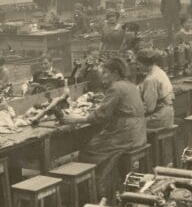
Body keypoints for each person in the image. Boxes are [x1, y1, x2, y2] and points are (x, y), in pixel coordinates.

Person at [64, 57, 147, 198]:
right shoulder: (130, 85)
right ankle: (107, 185)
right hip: (138, 131)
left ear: (115, 73)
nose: (103, 76)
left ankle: (96, 191)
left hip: (125, 132)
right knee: (101, 145)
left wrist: (75, 119)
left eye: (105, 73)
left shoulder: (116, 87)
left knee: (88, 151)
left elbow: (100, 116)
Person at [137, 49, 175, 130]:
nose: (137, 66)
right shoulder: (157, 70)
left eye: (139, 64)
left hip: (161, 117)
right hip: (167, 113)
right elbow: (141, 87)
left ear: (145, 64)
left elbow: (150, 108)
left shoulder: (151, 79)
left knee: (132, 126)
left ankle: (146, 143)